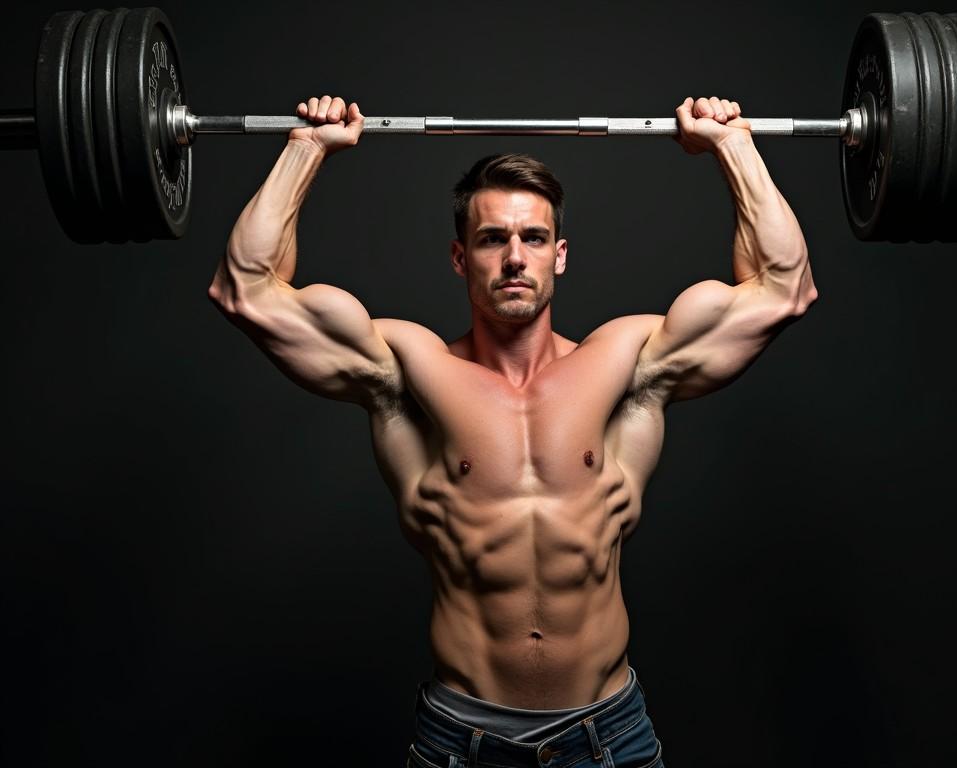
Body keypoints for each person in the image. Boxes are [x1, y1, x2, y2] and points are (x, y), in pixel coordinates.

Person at [208, 93, 818, 767]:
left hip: (606, 738)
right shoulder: (406, 371)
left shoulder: (628, 363)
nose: (514, 259)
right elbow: (247, 288)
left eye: (532, 239)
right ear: (459, 257)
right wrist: (307, 147)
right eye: (492, 239)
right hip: (460, 743)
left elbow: (784, 287)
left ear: (559, 254)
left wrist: (733, 146)